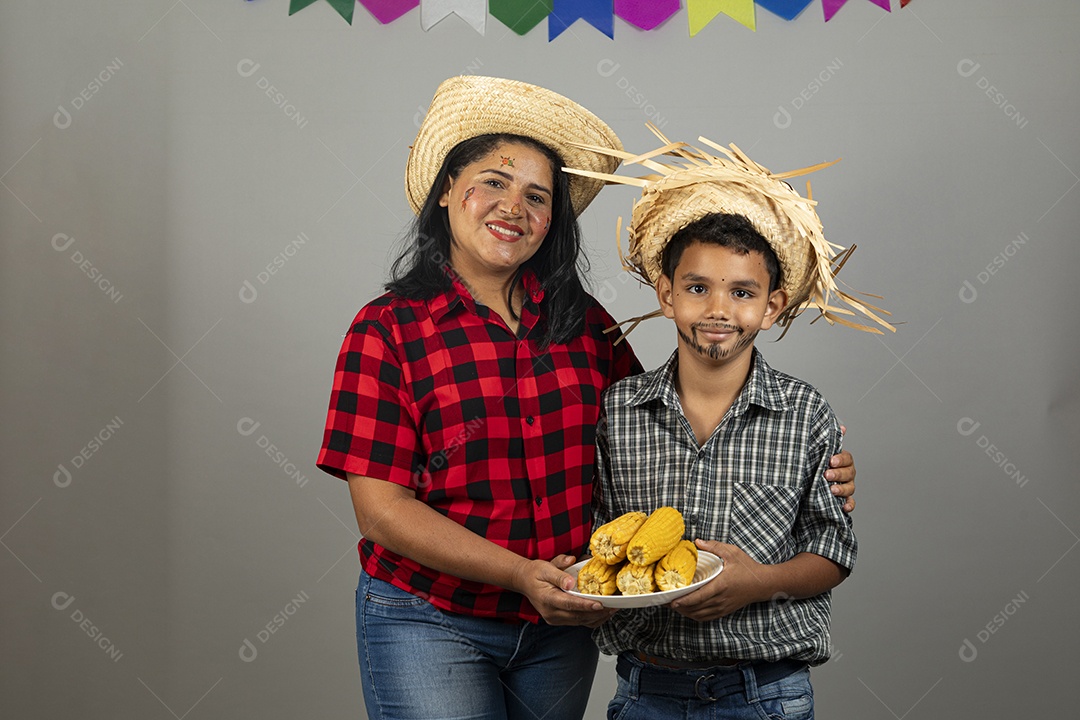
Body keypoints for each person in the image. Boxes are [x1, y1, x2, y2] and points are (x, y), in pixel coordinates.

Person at [315, 77, 859, 720]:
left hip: (562, 625)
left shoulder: (584, 325)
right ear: (446, 190)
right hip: (431, 615)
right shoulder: (387, 331)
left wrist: (815, 465)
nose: (513, 207)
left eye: (536, 196)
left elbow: (665, 421)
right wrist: (519, 573)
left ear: (554, 219)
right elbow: (382, 513)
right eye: (493, 181)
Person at [576, 134, 893, 719]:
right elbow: (596, 532)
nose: (718, 309)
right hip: (648, 688)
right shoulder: (619, 412)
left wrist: (756, 583)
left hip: (765, 692)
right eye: (697, 288)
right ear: (667, 295)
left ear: (772, 306)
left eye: (742, 292)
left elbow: (832, 550)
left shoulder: (804, 414)